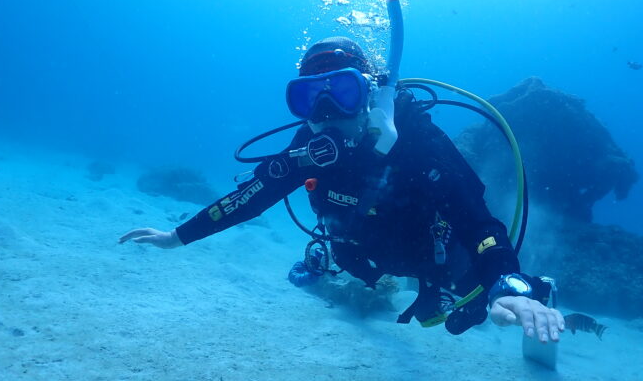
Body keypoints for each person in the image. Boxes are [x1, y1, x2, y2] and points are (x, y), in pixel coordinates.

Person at [119, 37, 564, 343]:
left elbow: (479, 224)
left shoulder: (418, 141)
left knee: (484, 294)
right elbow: (250, 198)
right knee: (343, 260)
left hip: (433, 258)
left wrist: (506, 284)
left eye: (342, 91)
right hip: (359, 253)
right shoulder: (307, 149)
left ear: (370, 93)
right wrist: (176, 236)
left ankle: (536, 294)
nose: (326, 110)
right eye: (309, 98)